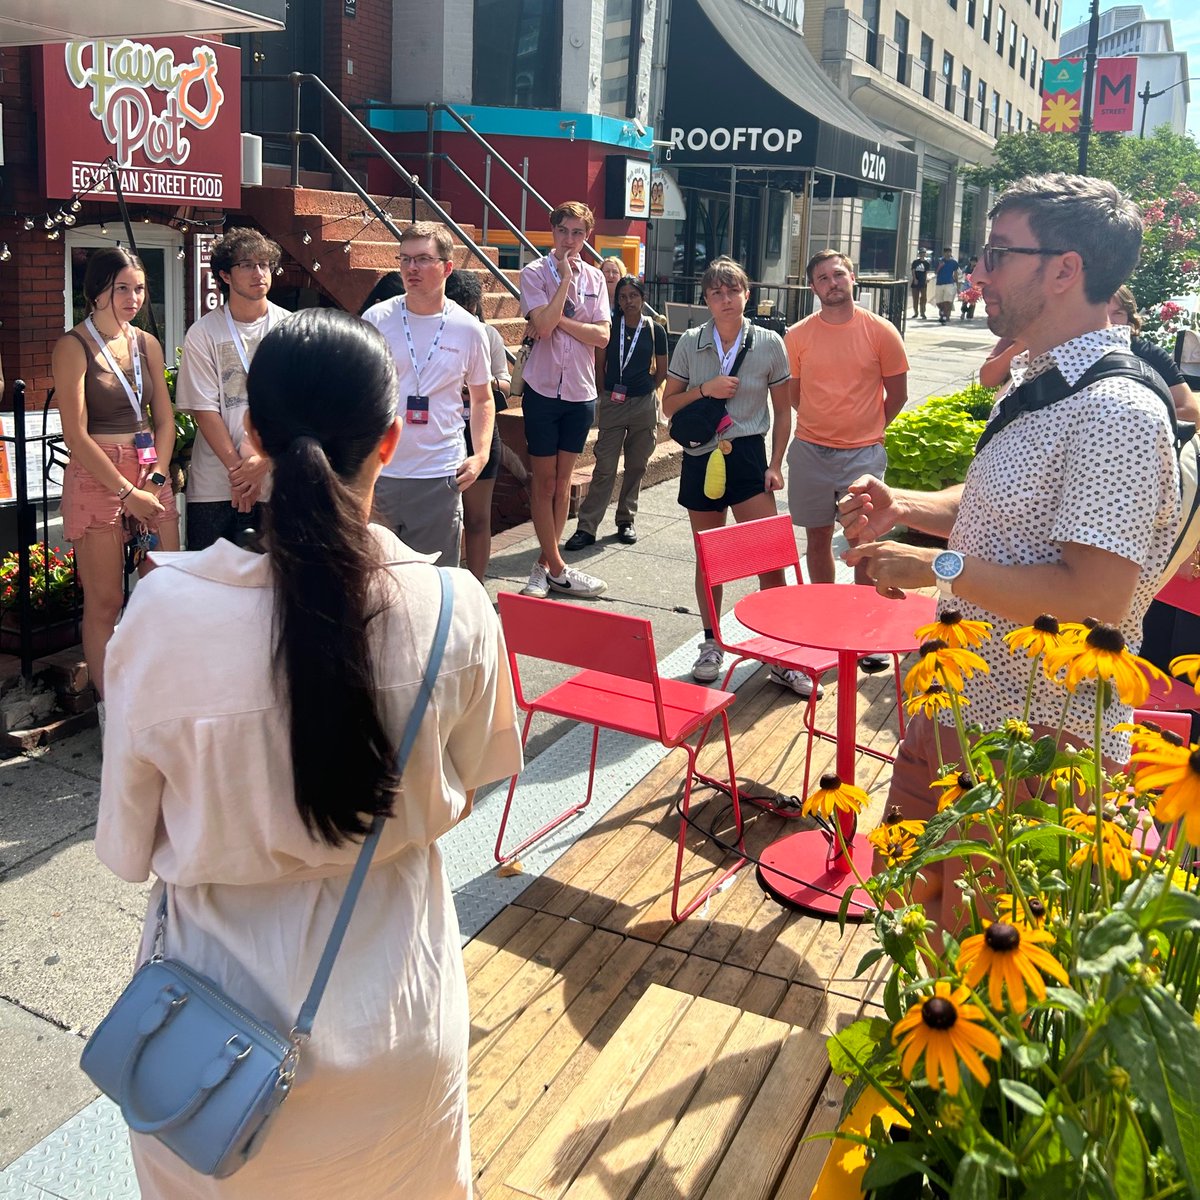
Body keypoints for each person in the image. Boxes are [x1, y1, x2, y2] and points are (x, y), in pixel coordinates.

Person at [94, 308, 523, 1199]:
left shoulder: (163, 618)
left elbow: (128, 848)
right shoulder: (456, 608)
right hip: (402, 1022)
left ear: (251, 433)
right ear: (394, 438)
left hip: (207, 1054)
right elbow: (473, 787)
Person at [840, 174, 1180, 927]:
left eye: (998, 254)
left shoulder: (1115, 411)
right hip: (962, 701)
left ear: (1065, 269)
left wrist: (938, 568)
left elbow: (1096, 597)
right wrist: (907, 509)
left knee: (987, 962)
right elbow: (994, 502)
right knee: (913, 913)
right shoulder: (1037, 378)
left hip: (1036, 741)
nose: (978, 273)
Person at [663, 256, 814, 694]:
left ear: (747, 294)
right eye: (716, 292)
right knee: (710, 560)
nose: (725, 299)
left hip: (748, 455)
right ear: (706, 299)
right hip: (701, 456)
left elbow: (783, 412)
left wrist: (774, 464)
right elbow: (668, 406)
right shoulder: (691, 342)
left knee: (769, 557)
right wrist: (704, 390)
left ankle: (779, 653)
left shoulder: (769, 342)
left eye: (733, 291)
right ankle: (711, 643)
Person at [52, 247, 179, 701]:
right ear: (97, 290)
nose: (133, 297)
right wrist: (127, 492)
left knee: (163, 588)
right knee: (106, 602)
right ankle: (112, 708)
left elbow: (164, 420)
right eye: (121, 287)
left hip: (150, 474)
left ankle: (157, 694)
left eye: (140, 288)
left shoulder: (146, 342)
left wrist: (158, 480)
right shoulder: (73, 345)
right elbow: (75, 434)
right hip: (98, 476)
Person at [363, 222, 495, 567]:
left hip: (439, 474)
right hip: (382, 472)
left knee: (434, 582)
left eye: (422, 259)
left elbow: (482, 398)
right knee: (377, 580)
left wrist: (480, 454)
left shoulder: (469, 328)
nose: (411, 268)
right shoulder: (377, 318)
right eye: (405, 259)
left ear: (447, 268)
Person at [784, 249, 908, 597]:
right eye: (822, 278)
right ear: (813, 288)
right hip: (810, 452)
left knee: (863, 538)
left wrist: (865, 428)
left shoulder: (882, 332)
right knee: (818, 536)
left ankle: (865, 621)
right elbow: (796, 395)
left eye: (838, 274)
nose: (832, 283)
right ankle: (826, 613)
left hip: (862, 457)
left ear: (852, 278)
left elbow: (897, 395)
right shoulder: (796, 336)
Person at [517, 201, 610, 599]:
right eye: (563, 231)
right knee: (544, 481)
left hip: (579, 391)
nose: (569, 240)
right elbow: (541, 323)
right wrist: (563, 280)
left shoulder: (597, 279)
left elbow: (603, 336)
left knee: (563, 483)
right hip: (542, 389)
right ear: (552, 231)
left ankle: (544, 566)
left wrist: (566, 324)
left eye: (577, 233)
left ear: (586, 235)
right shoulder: (534, 273)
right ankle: (557, 567)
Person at [176, 228, 289, 550]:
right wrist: (240, 474)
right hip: (216, 483)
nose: (259, 273)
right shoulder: (203, 333)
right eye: (247, 265)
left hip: (275, 480)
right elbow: (204, 408)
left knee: (275, 588)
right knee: (211, 586)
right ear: (225, 274)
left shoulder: (291, 328)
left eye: (265, 264)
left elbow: (297, 407)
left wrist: (263, 461)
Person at [564, 274, 667, 550]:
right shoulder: (611, 327)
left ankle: (626, 520)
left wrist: (645, 392)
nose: (628, 301)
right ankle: (587, 527)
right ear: (617, 300)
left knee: (636, 465)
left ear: (643, 298)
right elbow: (600, 366)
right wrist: (605, 394)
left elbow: (662, 371)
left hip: (643, 404)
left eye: (633, 295)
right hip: (613, 402)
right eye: (622, 296)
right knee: (605, 467)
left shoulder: (655, 330)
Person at [444, 268, 511, 582]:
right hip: (442, 432)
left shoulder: (488, 335)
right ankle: (445, 584)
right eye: (456, 302)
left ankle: (476, 586)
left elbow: (507, 385)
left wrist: (480, 385)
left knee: (478, 518)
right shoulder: (436, 333)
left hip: (480, 434)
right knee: (443, 519)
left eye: (468, 304)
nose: (464, 311)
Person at [1107, 284, 1199, 422]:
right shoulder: (1071, 355)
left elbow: (1191, 412)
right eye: (1101, 314)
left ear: (1129, 318)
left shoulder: (1151, 355)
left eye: (1118, 313)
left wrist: (1139, 420)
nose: (1109, 321)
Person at [933, 247, 960, 325]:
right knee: (938, 302)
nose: (948, 254)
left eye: (949, 252)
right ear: (944, 253)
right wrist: (940, 266)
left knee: (947, 301)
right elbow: (935, 272)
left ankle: (945, 316)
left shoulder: (954, 262)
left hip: (949, 283)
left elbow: (955, 274)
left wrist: (957, 285)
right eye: (946, 252)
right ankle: (942, 311)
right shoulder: (939, 261)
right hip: (939, 283)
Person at [910, 249, 930, 320]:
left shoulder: (927, 263)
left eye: (924, 253)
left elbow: (926, 272)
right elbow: (913, 271)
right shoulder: (915, 262)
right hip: (916, 282)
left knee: (923, 298)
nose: (922, 254)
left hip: (923, 282)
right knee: (915, 298)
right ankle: (916, 312)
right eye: (921, 253)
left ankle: (923, 312)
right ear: (919, 254)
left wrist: (926, 279)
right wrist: (915, 279)